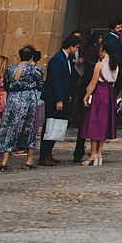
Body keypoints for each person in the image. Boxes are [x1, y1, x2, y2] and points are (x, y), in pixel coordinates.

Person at [0, 46, 44, 170]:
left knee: (8, 127)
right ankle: (29, 160)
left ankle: (5, 160)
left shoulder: (10, 69)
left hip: (13, 98)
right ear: (32, 56)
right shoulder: (35, 69)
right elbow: (41, 85)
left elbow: (5, 84)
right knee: (29, 127)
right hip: (28, 98)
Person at [39, 36, 78, 166]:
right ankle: (44, 155)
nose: (77, 50)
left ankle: (49, 153)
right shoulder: (57, 59)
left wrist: (67, 95)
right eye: (76, 47)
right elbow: (55, 81)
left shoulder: (67, 60)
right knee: (50, 125)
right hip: (54, 99)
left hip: (62, 97)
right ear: (71, 46)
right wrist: (59, 99)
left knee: (57, 126)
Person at [80, 39, 118, 166]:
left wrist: (85, 97)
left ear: (104, 51)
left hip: (100, 93)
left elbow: (93, 82)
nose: (99, 53)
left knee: (94, 122)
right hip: (110, 93)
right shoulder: (115, 66)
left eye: (101, 50)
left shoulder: (99, 65)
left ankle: (93, 154)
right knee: (104, 124)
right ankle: (99, 153)